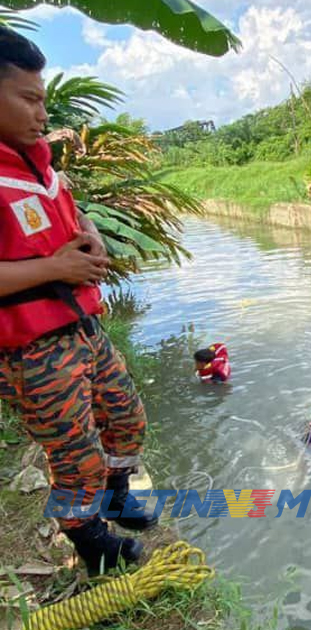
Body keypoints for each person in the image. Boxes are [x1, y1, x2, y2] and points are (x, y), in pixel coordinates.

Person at [0, 27, 154, 576]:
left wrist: (88, 231)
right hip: (33, 350)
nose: (42, 113)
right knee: (73, 454)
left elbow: (69, 214)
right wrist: (56, 268)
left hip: (83, 329)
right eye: (29, 99)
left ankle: (114, 497)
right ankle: (88, 538)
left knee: (126, 418)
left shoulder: (38, 166)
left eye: (43, 99)